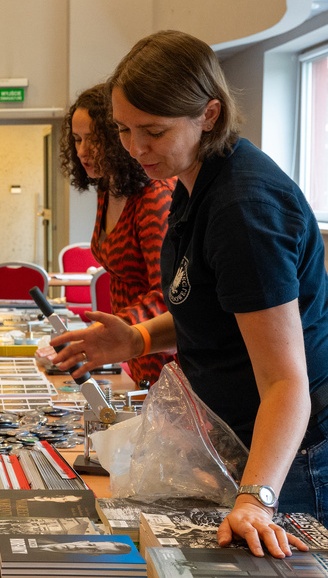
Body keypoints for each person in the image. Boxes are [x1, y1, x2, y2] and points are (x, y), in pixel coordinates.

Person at [50, 30, 328, 559]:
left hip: (286, 454)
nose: (134, 148)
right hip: (239, 438)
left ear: (210, 114)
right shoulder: (193, 180)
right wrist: (135, 339)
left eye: (152, 131)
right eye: (125, 130)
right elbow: (215, 307)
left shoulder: (243, 208)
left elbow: (287, 382)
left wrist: (256, 498)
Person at [59, 84, 176, 388]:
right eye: (77, 139)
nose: (82, 151)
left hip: (164, 353)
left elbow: (168, 296)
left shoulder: (153, 198)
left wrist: (109, 330)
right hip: (133, 352)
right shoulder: (107, 188)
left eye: (94, 140)